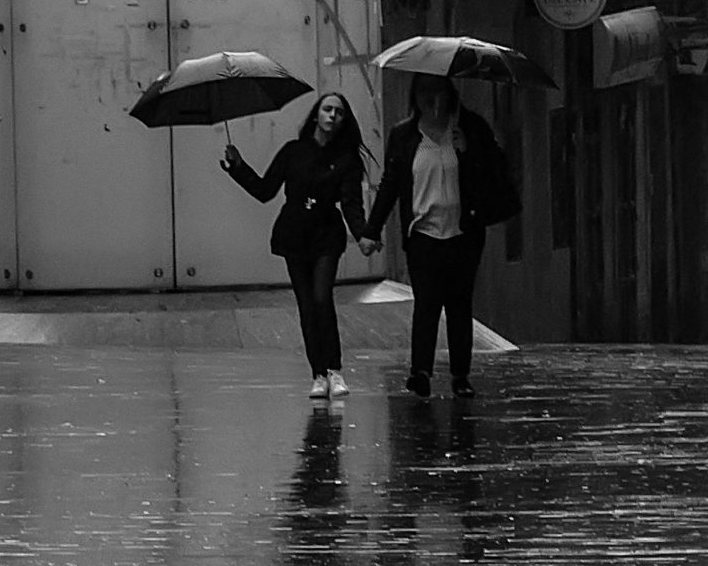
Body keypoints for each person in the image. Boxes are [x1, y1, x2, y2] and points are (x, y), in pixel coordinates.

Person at [368, 74, 520, 402]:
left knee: (459, 305)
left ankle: (460, 375)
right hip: (423, 232)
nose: (430, 99)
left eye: (436, 91)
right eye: (424, 92)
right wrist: (371, 229)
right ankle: (420, 372)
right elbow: (391, 183)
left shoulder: (470, 128)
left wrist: (467, 151)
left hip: (464, 232)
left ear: (449, 93)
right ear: (415, 96)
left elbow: (496, 170)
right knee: (426, 303)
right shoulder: (404, 135)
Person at [221, 94, 378, 400]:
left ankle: (335, 370)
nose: (332, 116)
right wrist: (238, 167)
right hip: (294, 232)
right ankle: (318, 374)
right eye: (327, 109)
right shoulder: (293, 151)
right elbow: (265, 190)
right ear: (316, 115)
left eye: (339, 112)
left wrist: (362, 234)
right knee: (306, 305)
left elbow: (351, 204)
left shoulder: (346, 159)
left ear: (344, 121)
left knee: (321, 298)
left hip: (326, 234)